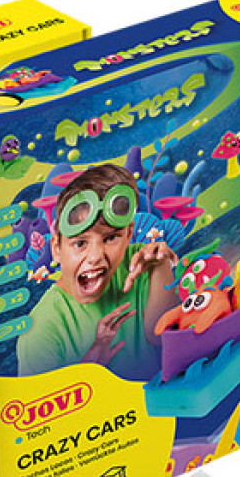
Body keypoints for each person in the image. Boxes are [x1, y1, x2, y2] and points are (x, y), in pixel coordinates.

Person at [14, 161, 177, 378]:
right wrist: (89, 368)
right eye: (80, 243)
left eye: (110, 238)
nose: (96, 256)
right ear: (56, 248)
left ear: (128, 234)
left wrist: (161, 267)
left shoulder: (140, 263)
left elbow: (163, 337)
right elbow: (40, 398)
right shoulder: (39, 332)